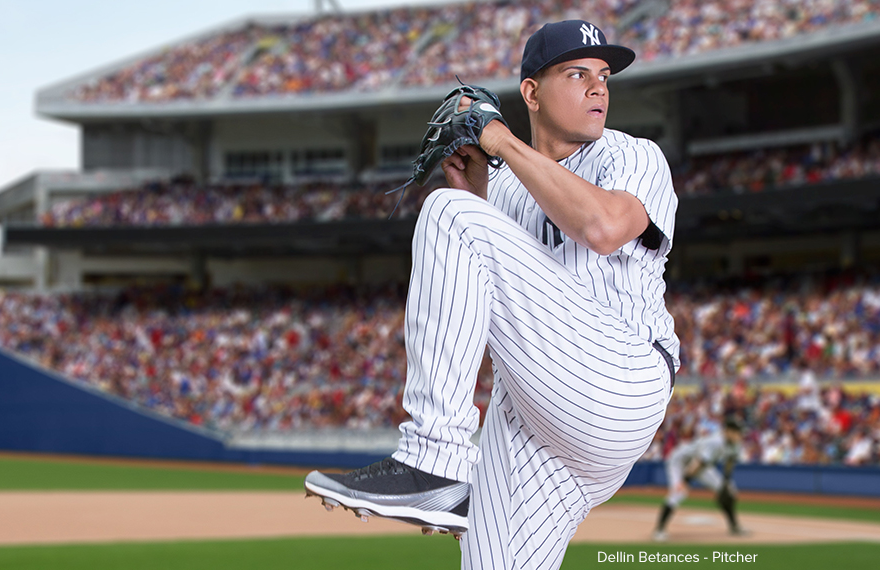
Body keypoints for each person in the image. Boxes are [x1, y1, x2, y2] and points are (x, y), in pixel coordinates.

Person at [304, 19, 679, 569]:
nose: (598, 87)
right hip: (535, 410)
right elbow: (490, 302)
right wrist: (478, 195)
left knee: (447, 214)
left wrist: (497, 140)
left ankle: (433, 459)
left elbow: (601, 227)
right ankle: (448, 478)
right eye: (577, 74)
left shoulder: (632, 155)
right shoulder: (504, 185)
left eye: (604, 76)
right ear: (531, 92)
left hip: (618, 379)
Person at [653, 418, 747, 541]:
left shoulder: (736, 443)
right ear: (727, 431)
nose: (739, 435)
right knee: (678, 493)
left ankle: (734, 527)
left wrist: (726, 482)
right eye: (736, 431)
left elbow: (730, 462)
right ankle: (659, 530)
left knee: (729, 490)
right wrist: (685, 481)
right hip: (680, 461)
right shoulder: (715, 442)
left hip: (701, 465)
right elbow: (697, 464)